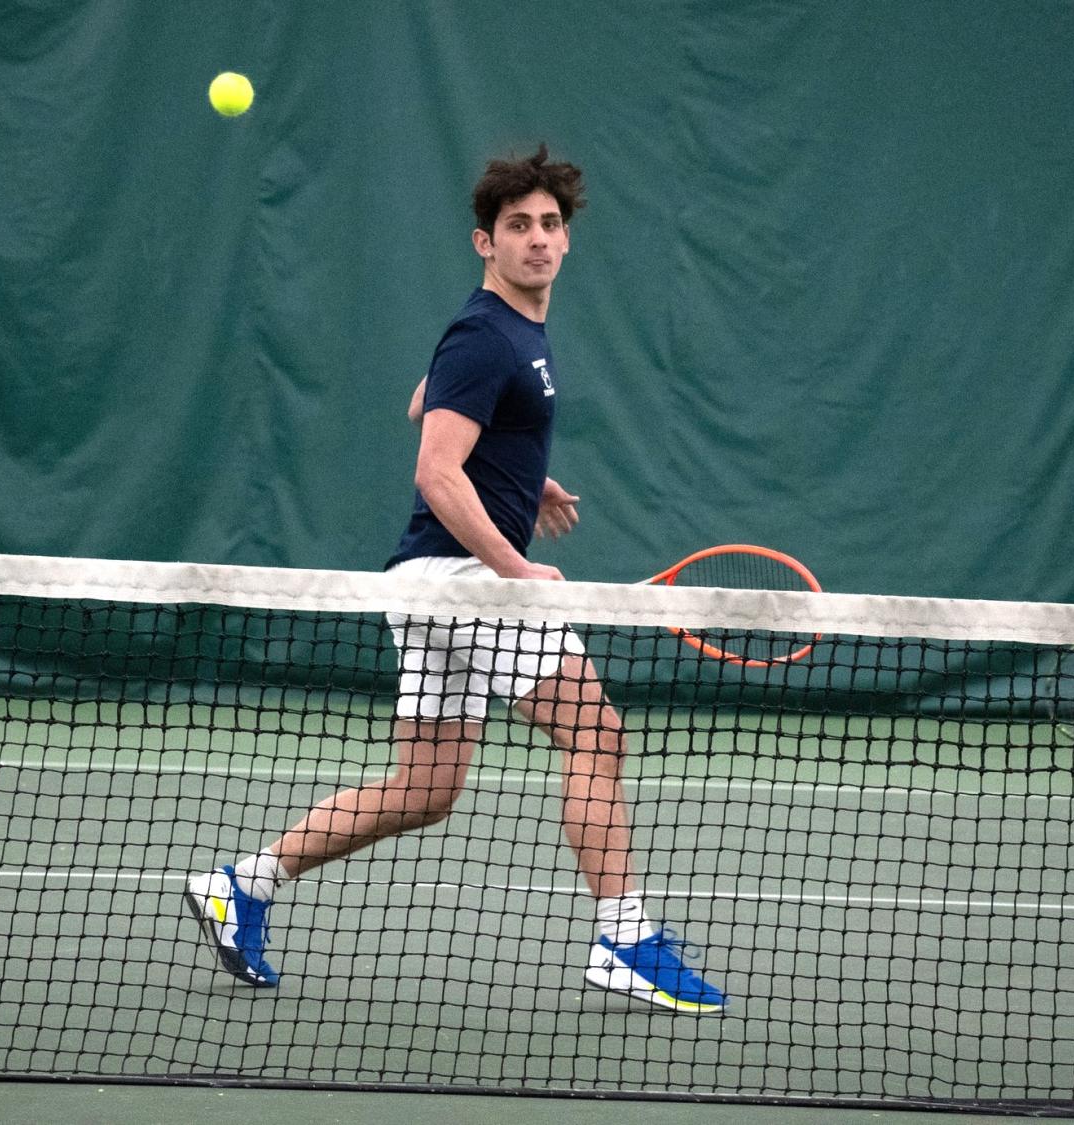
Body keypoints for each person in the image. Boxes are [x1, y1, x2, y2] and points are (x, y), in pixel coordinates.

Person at [185, 144, 725, 1013]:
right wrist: (516, 567)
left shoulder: (512, 336)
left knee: (425, 789)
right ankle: (625, 937)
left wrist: (519, 475)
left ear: (568, 240)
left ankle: (242, 882)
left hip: (430, 583)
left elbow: (426, 408)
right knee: (597, 733)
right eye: (519, 227)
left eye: (551, 225)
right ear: (487, 243)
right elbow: (437, 471)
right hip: (463, 578)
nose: (539, 240)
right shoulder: (486, 329)